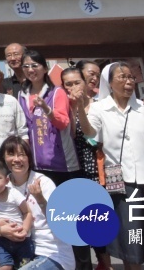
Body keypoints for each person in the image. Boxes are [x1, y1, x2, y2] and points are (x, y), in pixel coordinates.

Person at [79, 61, 144, 270]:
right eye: (122, 77)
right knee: (131, 246)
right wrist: (80, 108)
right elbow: (90, 134)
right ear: (109, 82)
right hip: (122, 184)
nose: (128, 81)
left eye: (131, 77)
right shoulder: (99, 109)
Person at [59, 65, 109, 270]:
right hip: (72, 168)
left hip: (96, 168)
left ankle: (105, 263)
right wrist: (72, 108)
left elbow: (92, 135)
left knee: (97, 219)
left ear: (85, 82)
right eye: (67, 84)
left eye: (76, 82)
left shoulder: (99, 106)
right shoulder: (63, 109)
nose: (73, 87)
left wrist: (79, 107)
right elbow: (70, 136)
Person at [0, 135, 76, 270]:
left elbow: (62, 222)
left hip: (51, 252)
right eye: (11, 154)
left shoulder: (44, 183)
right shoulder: (2, 184)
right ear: (3, 159)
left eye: (22, 155)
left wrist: (40, 199)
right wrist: (1, 230)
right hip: (20, 249)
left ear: (29, 158)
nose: (17, 159)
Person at [18, 49, 78, 184]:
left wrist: (46, 108)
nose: (30, 69)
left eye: (34, 65)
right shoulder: (21, 95)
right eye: (26, 66)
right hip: (35, 164)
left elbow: (63, 123)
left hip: (61, 164)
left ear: (45, 68)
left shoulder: (57, 92)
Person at [0, 157, 34, 270]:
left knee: (25, 266)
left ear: (6, 180)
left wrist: (25, 230)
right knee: (4, 267)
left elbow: (27, 212)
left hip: (22, 240)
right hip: (1, 240)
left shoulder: (14, 194)